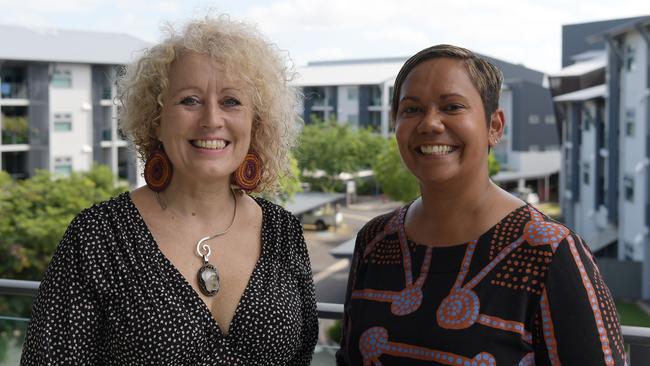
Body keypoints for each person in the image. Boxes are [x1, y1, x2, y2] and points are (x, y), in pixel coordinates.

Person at [21, 15, 318, 365]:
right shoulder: (97, 238)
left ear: (256, 122)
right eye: (189, 100)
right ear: (156, 121)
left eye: (231, 101)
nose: (211, 119)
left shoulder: (284, 232)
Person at [336, 45, 626, 365]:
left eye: (452, 106)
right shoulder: (375, 240)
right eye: (412, 109)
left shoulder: (549, 252)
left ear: (494, 126)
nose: (430, 123)